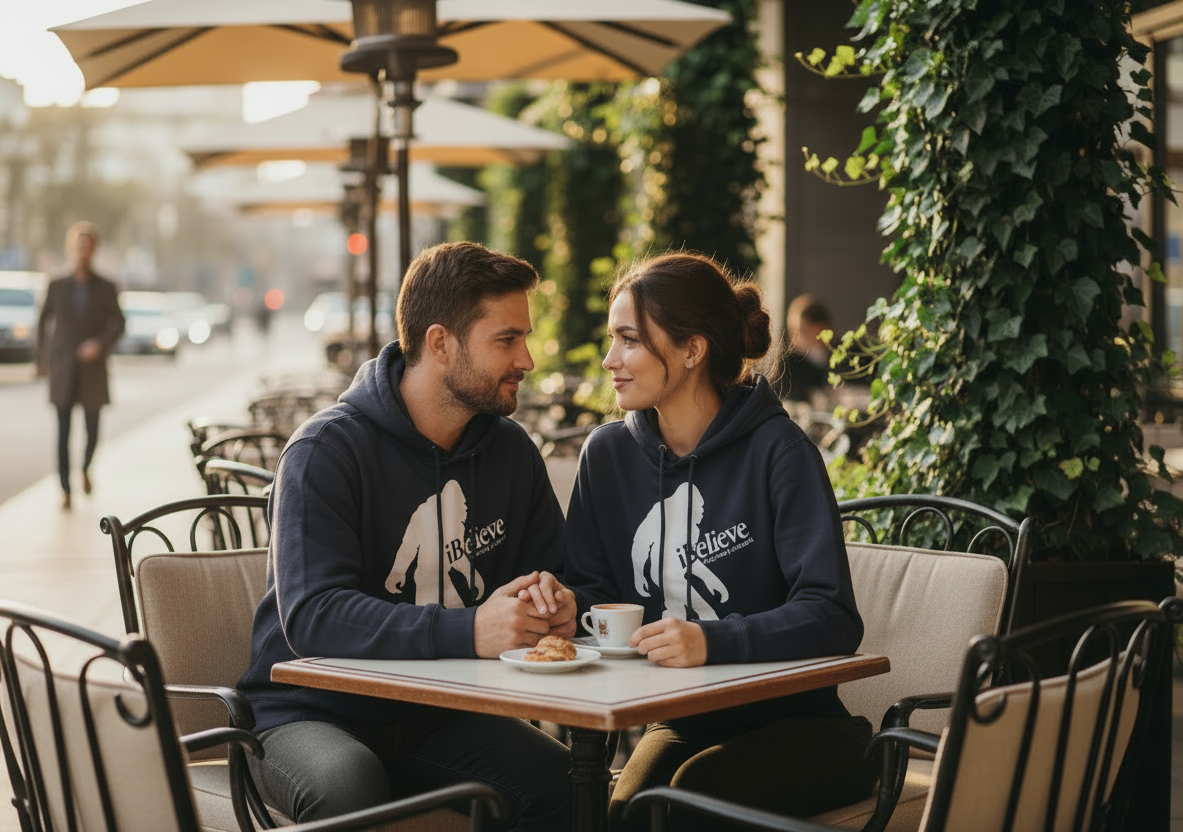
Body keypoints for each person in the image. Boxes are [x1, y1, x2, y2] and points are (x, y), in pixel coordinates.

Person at [237, 242, 576, 830]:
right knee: (348, 784)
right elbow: (314, 616)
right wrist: (471, 629)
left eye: (524, 337)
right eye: (506, 339)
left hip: (439, 713)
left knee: (573, 788)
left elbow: (558, 573)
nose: (527, 359)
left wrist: (560, 604)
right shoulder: (326, 452)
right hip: (310, 714)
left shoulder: (511, 451)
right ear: (440, 343)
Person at [562, 253, 876, 831]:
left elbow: (832, 615)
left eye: (629, 341)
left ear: (692, 350)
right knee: (622, 816)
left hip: (803, 725)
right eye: (612, 340)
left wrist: (712, 641)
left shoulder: (778, 452)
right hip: (680, 719)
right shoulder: (605, 458)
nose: (610, 361)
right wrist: (565, 609)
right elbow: (591, 593)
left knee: (686, 807)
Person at [36, 221, 125, 511]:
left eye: (88, 246)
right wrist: (43, 360)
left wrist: (98, 344)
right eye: (78, 245)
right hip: (63, 368)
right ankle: (64, 489)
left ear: (94, 250)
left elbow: (119, 323)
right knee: (62, 432)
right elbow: (42, 322)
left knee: (93, 429)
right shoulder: (57, 284)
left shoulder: (107, 286)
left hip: (93, 369)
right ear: (71, 247)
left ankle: (85, 467)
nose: (83, 251)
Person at [776, 293, 836, 404]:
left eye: (805, 330)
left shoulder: (843, 355)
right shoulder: (787, 365)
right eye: (798, 331)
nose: (797, 336)